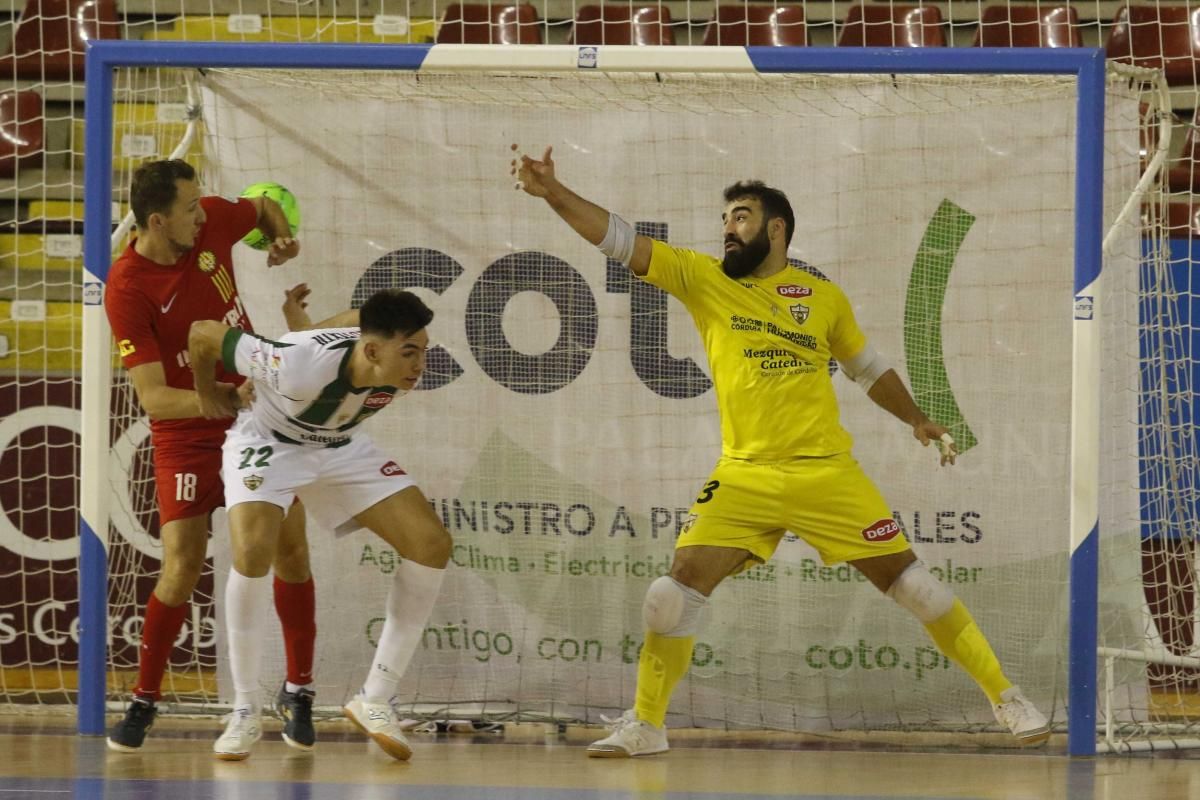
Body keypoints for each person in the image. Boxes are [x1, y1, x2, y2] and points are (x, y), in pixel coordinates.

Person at [512, 145, 1051, 756]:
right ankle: (647, 725)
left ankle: (1006, 697)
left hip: (827, 476)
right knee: (670, 595)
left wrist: (917, 419)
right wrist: (554, 192)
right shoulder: (702, 278)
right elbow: (617, 239)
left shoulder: (822, 297)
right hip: (743, 476)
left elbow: (867, 369)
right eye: (723, 220)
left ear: (776, 228)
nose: (727, 230)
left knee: (919, 589)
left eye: (739, 217)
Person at [104, 159, 319, 754]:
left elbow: (260, 206)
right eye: (191, 209)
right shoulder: (127, 288)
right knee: (182, 564)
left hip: (259, 415)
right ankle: (144, 699)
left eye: (202, 205)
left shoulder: (211, 224)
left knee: (291, 548)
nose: (205, 215)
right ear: (156, 220)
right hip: (189, 424)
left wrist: (277, 237)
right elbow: (151, 396)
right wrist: (216, 398)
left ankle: (299, 691)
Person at [187, 288, 452, 762]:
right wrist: (209, 391)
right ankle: (245, 709)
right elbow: (202, 332)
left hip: (341, 446)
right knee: (252, 552)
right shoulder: (293, 366)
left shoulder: (376, 347)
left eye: (424, 351)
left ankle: (374, 698)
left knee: (431, 543)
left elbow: (354, 319)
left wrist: (303, 323)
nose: (419, 364)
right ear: (373, 351)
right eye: (410, 353)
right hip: (270, 443)